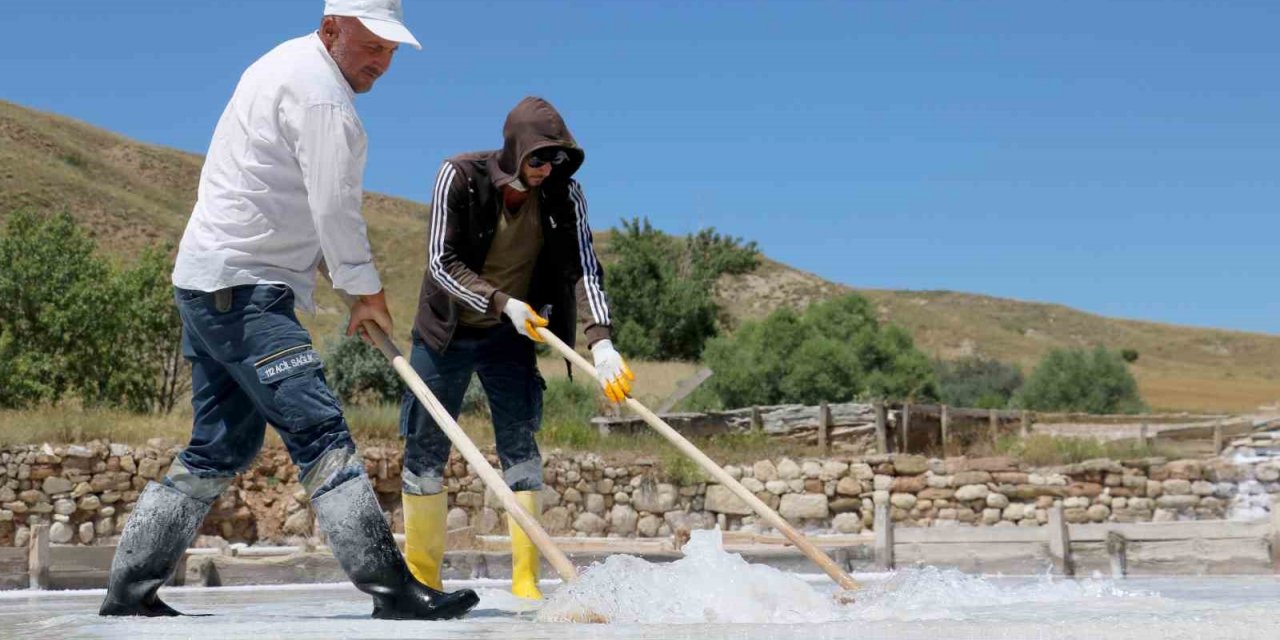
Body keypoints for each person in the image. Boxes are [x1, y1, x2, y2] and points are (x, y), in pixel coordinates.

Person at [99, 0, 478, 620]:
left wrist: (345, 281)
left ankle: (129, 589)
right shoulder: (321, 95)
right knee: (320, 428)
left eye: (390, 51)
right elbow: (331, 205)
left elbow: (295, 199)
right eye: (371, 45)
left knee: (220, 446)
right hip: (246, 292)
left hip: (208, 285)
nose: (382, 62)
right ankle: (391, 590)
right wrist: (364, 289)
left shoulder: (283, 65)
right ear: (331, 28)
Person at [399, 96, 635, 600]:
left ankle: (526, 580)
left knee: (522, 452)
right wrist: (501, 301)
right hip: (446, 333)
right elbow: (441, 264)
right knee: (424, 452)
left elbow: (584, 268)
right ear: (514, 151)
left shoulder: (564, 196)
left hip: (511, 337)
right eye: (538, 158)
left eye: (557, 161)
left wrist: (603, 343)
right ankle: (423, 579)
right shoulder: (458, 176)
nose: (547, 170)